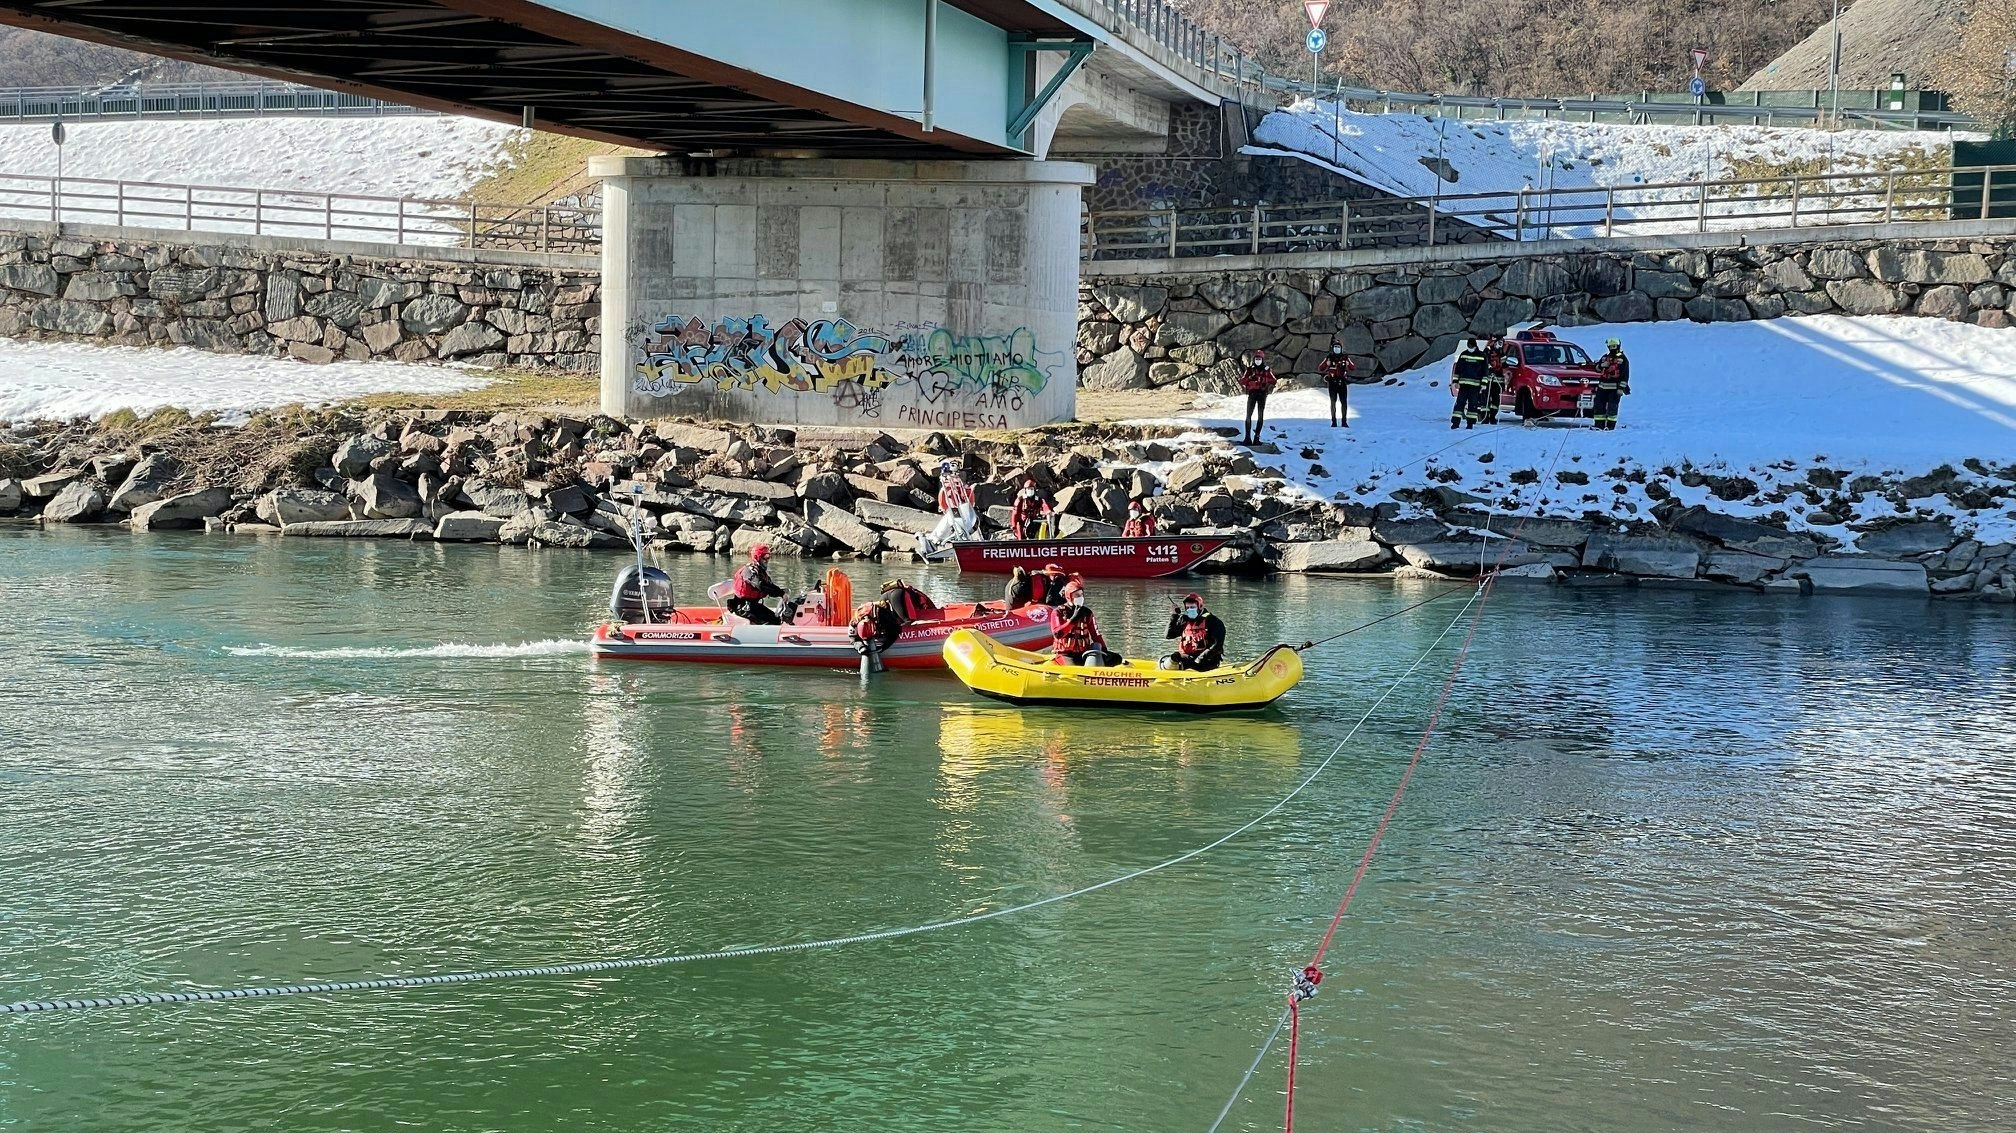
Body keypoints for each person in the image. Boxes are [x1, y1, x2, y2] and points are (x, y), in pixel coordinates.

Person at [917, 458, 978, 559]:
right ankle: (931, 541)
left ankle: (932, 541)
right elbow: (944, 506)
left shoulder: (964, 488)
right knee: (950, 516)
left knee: (951, 516)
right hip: (960, 519)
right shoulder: (948, 488)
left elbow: (969, 501)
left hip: (966, 519)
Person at [1048, 584, 1113, 666]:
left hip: (1083, 653)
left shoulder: (1087, 612)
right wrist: (1073, 620)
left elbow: (1095, 634)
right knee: (1072, 668)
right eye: (1077, 595)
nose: (1080, 597)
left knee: (1115, 659)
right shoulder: (1058, 612)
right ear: (1069, 596)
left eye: (1081, 594)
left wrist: (1104, 650)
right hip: (1065, 654)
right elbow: (1058, 634)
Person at [1161, 592, 1227, 671]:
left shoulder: (1213, 621)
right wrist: (1174, 616)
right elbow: (1168, 635)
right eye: (1187, 607)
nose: (1189, 610)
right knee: (1174, 658)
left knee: (1190, 664)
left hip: (1208, 660)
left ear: (1200, 607)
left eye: (1192, 607)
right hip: (1188, 657)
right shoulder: (1184, 620)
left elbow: (1217, 645)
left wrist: (1199, 659)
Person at [724, 544, 785, 625]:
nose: (767, 560)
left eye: (768, 556)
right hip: (743, 607)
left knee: (776, 619)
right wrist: (780, 593)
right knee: (772, 621)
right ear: (757, 557)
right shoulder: (749, 572)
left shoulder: (760, 571)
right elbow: (761, 585)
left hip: (753, 605)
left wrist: (782, 592)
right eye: (765, 557)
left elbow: (770, 585)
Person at [1239, 349, 1278, 445]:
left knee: (1260, 417)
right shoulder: (1250, 369)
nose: (1258, 360)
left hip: (1262, 394)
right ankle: (1247, 438)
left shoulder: (1267, 370)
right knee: (1248, 416)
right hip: (1252, 394)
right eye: (1256, 358)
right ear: (1254, 359)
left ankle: (1256, 438)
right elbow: (1242, 381)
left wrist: (1264, 378)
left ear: (1262, 359)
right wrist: (1250, 379)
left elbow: (1274, 381)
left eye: (1259, 358)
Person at [1450, 338, 1489, 430]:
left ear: (1475, 346)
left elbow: (1485, 371)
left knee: (1473, 405)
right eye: (1469, 346)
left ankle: (1470, 424)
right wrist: (1455, 381)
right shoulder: (1463, 354)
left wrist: (1484, 384)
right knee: (1460, 403)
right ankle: (1455, 423)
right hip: (1463, 385)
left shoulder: (1482, 356)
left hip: (1475, 386)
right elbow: (1458, 369)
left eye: (1471, 346)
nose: (1470, 348)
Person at [1593, 338, 1630, 430]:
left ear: (1618, 346)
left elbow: (1625, 376)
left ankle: (1610, 426)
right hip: (1602, 388)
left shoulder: (1622, 359)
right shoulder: (1605, 357)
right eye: (1611, 346)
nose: (1612, 348)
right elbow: (1596, 368)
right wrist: (1602, 365)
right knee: (1599, 406)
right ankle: (1599, 425)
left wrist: (1621, 388)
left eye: (1614, 346)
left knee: (1612, 407)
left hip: (1615, 389)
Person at [1318, 343, 1355, 428]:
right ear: (1332, 348)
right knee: (1333, 402)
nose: (1337, 349)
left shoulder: (1345, 357)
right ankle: (1333, 421)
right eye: (1335, 347)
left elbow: (1352, 367)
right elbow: (1321, 367)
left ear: (1341, 348)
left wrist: (1347, 364)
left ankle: (1344, 422)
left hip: (1342, 382)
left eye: (1338, 347)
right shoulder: (1329, 357)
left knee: (1344, 402)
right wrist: (1327, 364)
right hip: (1332, 382)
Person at [1482, 334, 1508, 424]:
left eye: (1501, 343)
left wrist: (1505, 374)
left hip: (1498, 380)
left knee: (1496, 400)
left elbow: (1505, 366)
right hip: (1488, 380)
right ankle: (1485, 417)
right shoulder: (1487, 351)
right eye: (1499, 342)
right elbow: (1483, 363)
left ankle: (1493, 416)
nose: (1500, 345)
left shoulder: (1502, 353)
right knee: (1486, 398)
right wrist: (1489, 368)